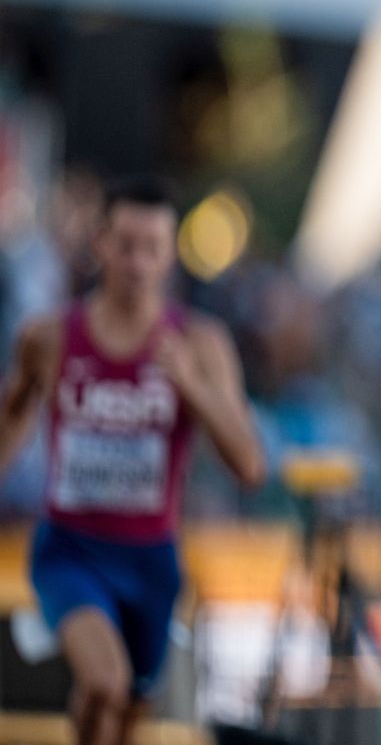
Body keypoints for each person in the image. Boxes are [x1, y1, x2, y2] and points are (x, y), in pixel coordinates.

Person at [0, 176, 266, 745]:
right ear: (100, 245)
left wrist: (192, 386)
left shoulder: (199, 343)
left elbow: (248, 465)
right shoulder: (48, 337)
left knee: (126, 712)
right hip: (69, 549)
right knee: (104, 681)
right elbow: (13, 416)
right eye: (126, 245)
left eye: (153, 248)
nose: (138, 263)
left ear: (172, 254)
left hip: (151, 562)